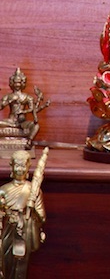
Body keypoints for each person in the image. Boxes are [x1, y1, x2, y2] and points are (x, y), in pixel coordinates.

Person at [0, 150, 46, 279]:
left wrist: (32, 209)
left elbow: (42, 217)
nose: (20, 170)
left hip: (25, 231)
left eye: (23, 166)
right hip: (7, 230)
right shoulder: (3, 190)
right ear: (11, 167)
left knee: (21, 264)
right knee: (6, 262)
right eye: (17, 165)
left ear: (28, 167)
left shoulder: (33, 191)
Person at [0, 69, 39, 142]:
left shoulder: (27, 97)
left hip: (22, 122)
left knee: (35, 126)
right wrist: (9, 101)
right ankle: (12, 127)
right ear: (12, 83)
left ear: (22, 83)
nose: (17, 85)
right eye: (15, 82)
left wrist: (23, 112)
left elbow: (32, 109)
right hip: (10, 121)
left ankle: (29, 141)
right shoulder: (8, 96)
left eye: (19, 82)